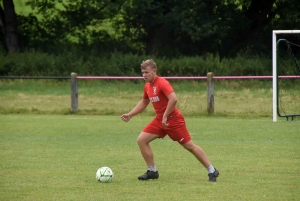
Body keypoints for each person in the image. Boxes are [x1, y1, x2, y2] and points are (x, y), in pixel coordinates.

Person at [120, 59, 219, 182]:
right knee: (141, 140)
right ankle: (152, 171)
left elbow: (173, 99)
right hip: (159, 121)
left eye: (147, 72)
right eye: (143, 72)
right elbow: (144, 102)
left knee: (189, 146)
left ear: (154, 71)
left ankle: (212, 170)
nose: (144, 75)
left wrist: (165, 115)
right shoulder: (147, 86)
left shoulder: (162, 83)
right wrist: (130, 114)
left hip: (173, 120)